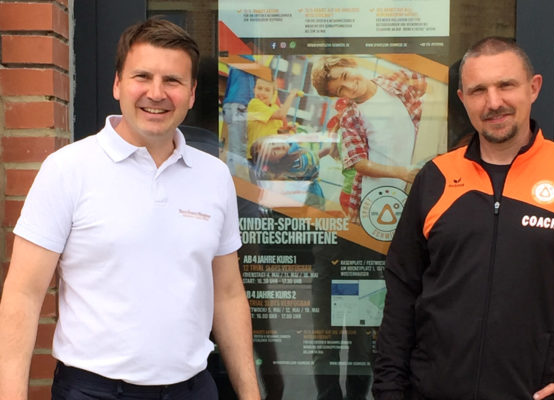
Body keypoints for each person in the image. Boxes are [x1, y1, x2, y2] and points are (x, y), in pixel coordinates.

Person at [0, 18, 260, 400]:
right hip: (94, 391)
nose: (156, 93)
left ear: (191, 93)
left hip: (193, 390)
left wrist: (250, 393)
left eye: (172, 81)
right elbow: (23, 293)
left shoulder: (214, 176)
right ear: (118, 83)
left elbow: (228, 293)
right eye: (143, 77)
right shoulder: (68, 169)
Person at [372, 36, 554, 399]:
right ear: (463, 100)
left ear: (533, 87)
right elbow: (401, 297)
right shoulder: (435, 178)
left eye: (506, 85)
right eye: (478, 90)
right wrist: (387, 391)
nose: (493, 102)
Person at [311, 56, 424, 223]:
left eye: (345, 75)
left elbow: (432, 81)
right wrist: (403, 173)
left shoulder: (393, 81)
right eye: (341, 90)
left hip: (415, 181)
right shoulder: (350, 117)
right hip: (380, 194)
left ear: (352, 65)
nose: (350, 86)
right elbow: (360, 164)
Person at [246, 78, 300, 160]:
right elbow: (281, 114)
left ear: (273, 94)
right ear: (254, 90)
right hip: (256, 155)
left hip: (269, 157)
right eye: (259, 88)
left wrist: (286, 129)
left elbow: (276, 132)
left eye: (267, 90)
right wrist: (291, 96)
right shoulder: (254, 104)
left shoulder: (274, 108)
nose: (262, 92)